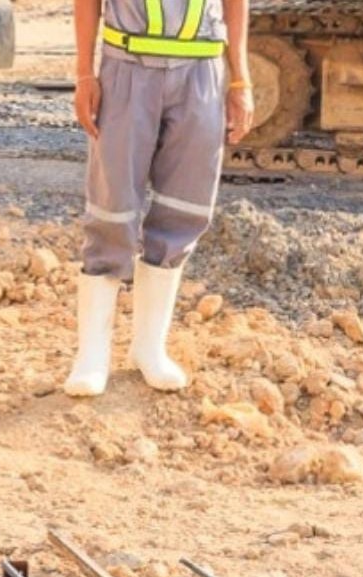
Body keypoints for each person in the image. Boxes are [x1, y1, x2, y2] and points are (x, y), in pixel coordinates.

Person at [64, 0, 255, 397]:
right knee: (112, 210)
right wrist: (84, 73)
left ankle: (149, 348)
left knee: (184, 208)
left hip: (201, 75)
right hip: (127, 69)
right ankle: (92, 355)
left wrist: (241, 81)